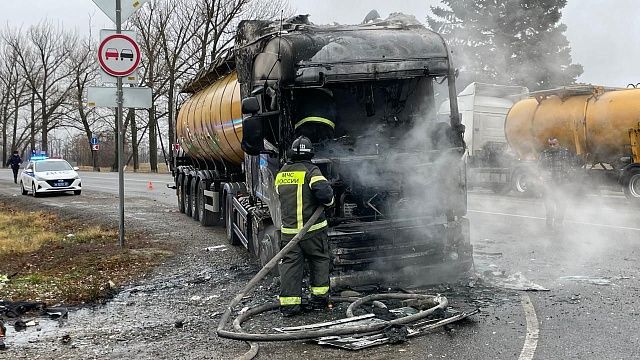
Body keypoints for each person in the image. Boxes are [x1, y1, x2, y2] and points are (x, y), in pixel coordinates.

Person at [275, 136, 334, 317]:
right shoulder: (312, 171)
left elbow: (280, 194)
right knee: (319, 261)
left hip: (289, 233)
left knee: (291, 266)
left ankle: (290, 306)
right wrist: (330, 202)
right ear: (311, 154)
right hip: (312, 231)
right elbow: (324, 194)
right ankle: (319, 300)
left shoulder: (282, 173)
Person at [538, 138, 579, 230]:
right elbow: (539, 168)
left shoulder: (565, 153)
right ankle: (549, 225)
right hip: (548, 186)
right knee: (549, 207)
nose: (552, 146)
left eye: (554, 144)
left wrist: (569, 178)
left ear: (558, 143)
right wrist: (541, 176)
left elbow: (572, 166)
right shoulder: (544, 154)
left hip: (562, 185)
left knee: (561, 206)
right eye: (550, 144)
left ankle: (558, 224)